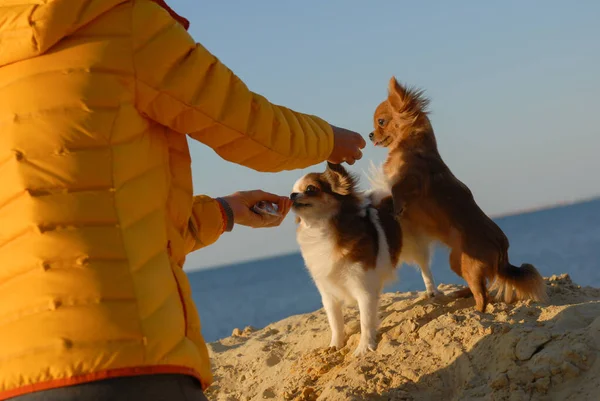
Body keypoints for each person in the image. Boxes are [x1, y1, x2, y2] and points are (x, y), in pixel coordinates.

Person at [0, 0, 365, 400]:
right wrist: (330, 139)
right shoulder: (123, 20)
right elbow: (254, 129)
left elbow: (87, 227)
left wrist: (225, 211)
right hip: (126, 355)